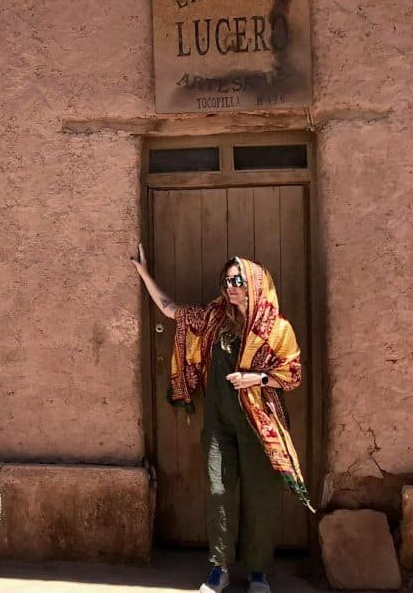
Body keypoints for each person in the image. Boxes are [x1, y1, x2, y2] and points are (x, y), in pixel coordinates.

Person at [130, 244, 313, 593]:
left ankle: (258, 571)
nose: (232, 286)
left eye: (239, 280)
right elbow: (171, 311)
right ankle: (220, 567)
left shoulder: (276, 328)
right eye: (228, 280)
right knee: (218, 491)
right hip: (220, 424)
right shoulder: (215, 319)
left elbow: (291, 375)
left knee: (260, 497)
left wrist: (255, 379)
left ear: (255, 283)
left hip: (260, 426)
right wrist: (144, 273)